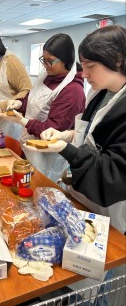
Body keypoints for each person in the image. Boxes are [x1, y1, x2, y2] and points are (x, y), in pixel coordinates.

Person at [35, 25, 126, 235]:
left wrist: (65, 149)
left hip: (110, 206)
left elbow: (114, 171)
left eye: (90, 66)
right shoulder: (100, 93)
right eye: (83, 65)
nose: (83, 74)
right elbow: (89, 136)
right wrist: (65, 135)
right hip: (83, 198)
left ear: (118, 60)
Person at [0, 33, 86, 181]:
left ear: (65, 60)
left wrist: (25, 122)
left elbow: (54, 129)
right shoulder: (46, 76)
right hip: (31, 142)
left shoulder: (72, 90)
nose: (45, 65)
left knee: (43, 185)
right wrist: (20, 103)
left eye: (50, 61)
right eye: (43, 60)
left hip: (48, 154)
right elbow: (34, 99)